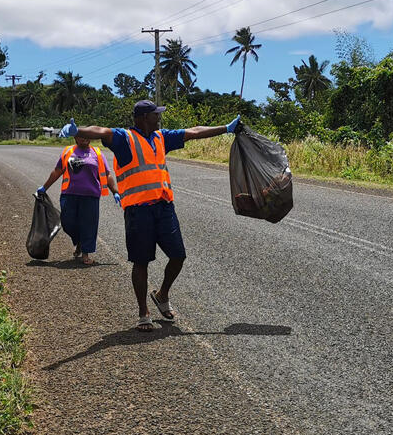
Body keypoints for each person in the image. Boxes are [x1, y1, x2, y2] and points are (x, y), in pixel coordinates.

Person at [60, 100, 241, 331]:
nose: (160, 118)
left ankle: (162, 294)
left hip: (164, 207)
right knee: (141, 261)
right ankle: (143, 311)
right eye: (156, 114)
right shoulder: (125, 139)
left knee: (178, 255)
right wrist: (79, 131)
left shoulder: (161, 137)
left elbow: (194, 132)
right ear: (144, 118)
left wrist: (225, 128)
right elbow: (101, 131)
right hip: (137, 211)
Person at [37, 135, 121, 265]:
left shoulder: (97, 153)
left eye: (87, 136)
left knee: (89, 225)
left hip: (90, 196)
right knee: (67, 223)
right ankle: (79, 241)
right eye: (81, 136)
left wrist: (115, 191)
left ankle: (85, 253)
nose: (85, 139)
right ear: (75, 138)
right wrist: (44, 187)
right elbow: (57, 171)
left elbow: (107, 174)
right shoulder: (68, 151)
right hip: (69, 194)